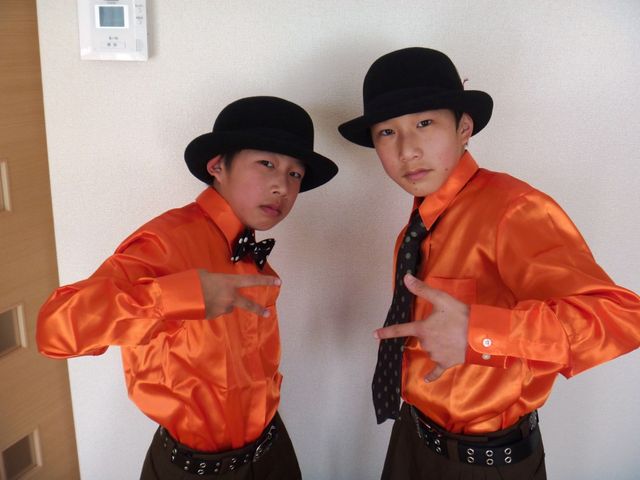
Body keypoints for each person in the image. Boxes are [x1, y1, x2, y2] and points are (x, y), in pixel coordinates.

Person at [338, 47, 640, 479]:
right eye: (387, 132)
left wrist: (480, 332)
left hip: (483, 463)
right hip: (411, 437)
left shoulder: (513, 210)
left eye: (424, 123)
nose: (407, 150)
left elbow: (619, 316)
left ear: (464, 127)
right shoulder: (415, 230)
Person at [37, 96, 338, 479]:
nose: (282, 186)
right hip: (192, 470)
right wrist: (176, 298)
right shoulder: (167, 242)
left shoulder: (251, 251)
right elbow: (54, 329)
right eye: (267, 164)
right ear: (217, 166)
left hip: (272, 454)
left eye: (295, 174)